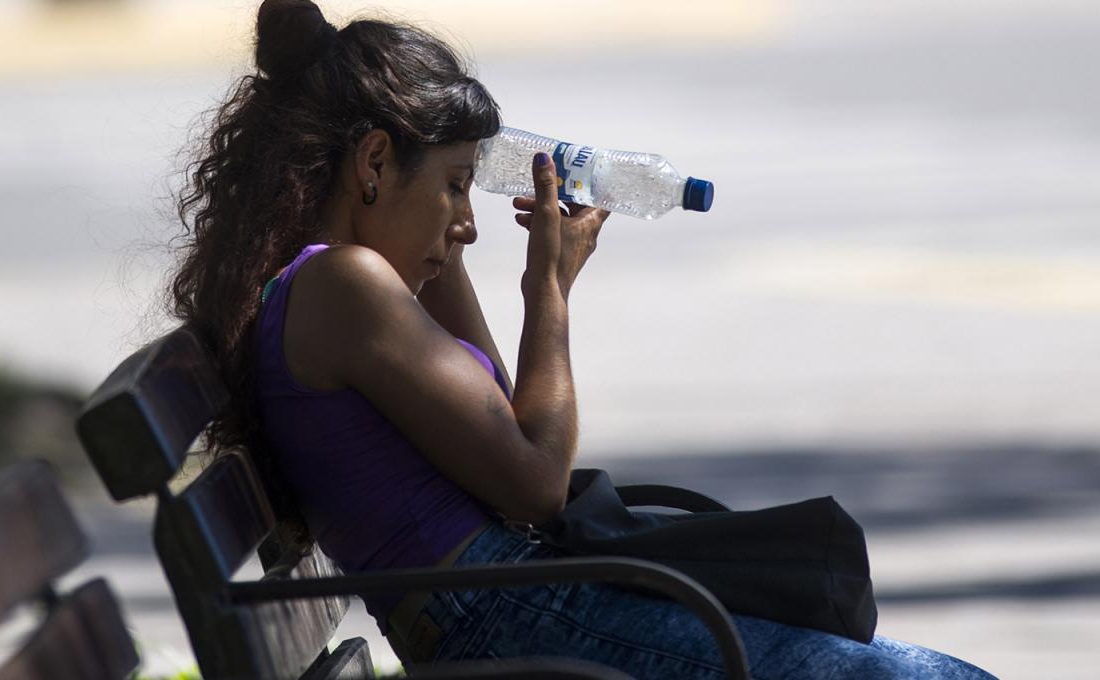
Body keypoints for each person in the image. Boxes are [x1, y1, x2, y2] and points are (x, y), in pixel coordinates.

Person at [167, 1, 997, 677]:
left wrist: (457, 254)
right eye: (455, 186)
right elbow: (537, 485)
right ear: (374, 163)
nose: (467, 222)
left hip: (510, 602)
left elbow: (502, 425)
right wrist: (548, 294)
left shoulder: (340, 282)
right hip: (510, 615)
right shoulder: (346, 285)